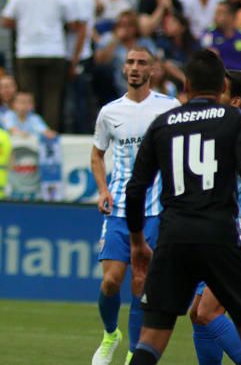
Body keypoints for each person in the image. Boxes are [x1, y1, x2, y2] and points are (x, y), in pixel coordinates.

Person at [124, 49, 241, 365]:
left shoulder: (164, 122)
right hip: (222, 234)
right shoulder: (237, 123)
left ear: (186, 86)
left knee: (154, 338)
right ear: (220, 89)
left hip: (175, 236)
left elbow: (136, 187)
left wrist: (138, 242)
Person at [89, 47, 180, 365]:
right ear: (124, 69)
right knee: (111, 280)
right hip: (119, 208)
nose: (135, 67)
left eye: (142, 62)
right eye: (130, 62)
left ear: (153, 69)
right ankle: (110, 334)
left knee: (141, 284)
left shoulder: (170, 108)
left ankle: (132, 353)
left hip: (156, 209)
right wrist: (102, 189)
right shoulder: (110, 112)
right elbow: (97, 155)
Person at [189, 69, 241, 365]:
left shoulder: (240, 131)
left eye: (220, 90)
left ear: (234, 101)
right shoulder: (235, 128)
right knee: (198, 315)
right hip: (225, 234)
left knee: (208, 313)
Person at [2, 0, 77, 130]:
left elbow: (6, 21)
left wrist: (24, 22)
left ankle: (26, 132)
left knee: (27, 96)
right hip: (54, 50)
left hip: (27, 50)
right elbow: (73, 24)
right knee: (52, 96)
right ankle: (49, 135)